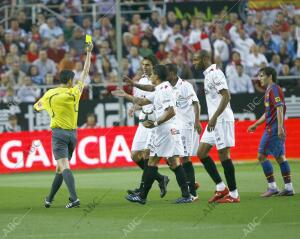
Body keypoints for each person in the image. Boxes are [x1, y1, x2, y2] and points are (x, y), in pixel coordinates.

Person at [113, 65, 194, 204]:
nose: (150, 76)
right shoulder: (162, 88)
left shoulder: (163, 90)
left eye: (153, 74)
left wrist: (155, 123)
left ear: (157, 76)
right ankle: (186, 195)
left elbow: (171, 111)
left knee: (151, 162)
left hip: (164, 131)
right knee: (174, 163)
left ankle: (142, 196)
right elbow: (142, 101)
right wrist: (125, 95)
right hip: (172, 130)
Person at [34, 42, 93, 208]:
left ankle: (74, 199)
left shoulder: (49, 94)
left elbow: (36, 107)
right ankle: (49, 199)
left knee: (64, 166)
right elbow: (86, 72)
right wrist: (88, 53)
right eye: (73, 79)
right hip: (73, 135)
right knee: (60, 168)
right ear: (69, 80)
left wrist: (49, 109)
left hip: (58, 134)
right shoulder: (75, 92)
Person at [193, 50, 240, 203]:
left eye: (196, 59)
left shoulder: (215, 73)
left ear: (205, 59)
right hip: (215, 120)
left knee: (224, 155)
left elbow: (227, 96)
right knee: (201, 152)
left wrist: (213, 117)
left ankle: (234, 194)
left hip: (221, 119)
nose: (194, 63)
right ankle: (221, 188)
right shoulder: (207, 75)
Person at [125, 56, 169, 198]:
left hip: (154, 123)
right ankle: (160, 178)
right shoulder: (141, 81)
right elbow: (140, 100)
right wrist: (134, 107)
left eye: (148, 64)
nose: (145, 67)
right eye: (143, 64)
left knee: (146, 155)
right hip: (143, 122)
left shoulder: (159, 82)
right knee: (134, 155)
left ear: (154, 66)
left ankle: (142, 191)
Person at [247, 67, 295, 197]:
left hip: (273, 129)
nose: (259, 78)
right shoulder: (269, 91)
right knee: (280, 157)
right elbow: (269, 112)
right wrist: (256, 124)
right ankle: (289, 188)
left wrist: (279, 127)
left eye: (262, 75)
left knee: (261, 156)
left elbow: (279, 108)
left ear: (270, 77)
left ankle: (273, 187)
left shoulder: (274, 89)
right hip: (273, 127)